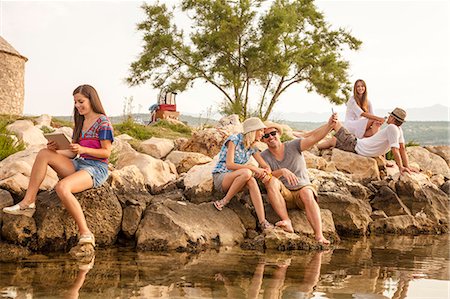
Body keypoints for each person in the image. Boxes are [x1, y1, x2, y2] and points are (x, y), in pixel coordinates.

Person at [3, 84, 114, 248]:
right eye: (75, 102)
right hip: (80, 163)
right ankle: (28, 202)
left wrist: (83, 149)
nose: (77, 106)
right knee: (43, 153)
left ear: (92, 99)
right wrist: (56, 151)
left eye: (81, 101)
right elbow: (72, 154)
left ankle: (86, 233)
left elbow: (106, 153)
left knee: (62, 187)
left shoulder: (103, 123)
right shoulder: (80, 122)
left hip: (96, 168)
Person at [260, 116, 337, 245]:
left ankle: (319, 236)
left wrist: (329, 126)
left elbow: (314, 138)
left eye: (273, 133)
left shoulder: (293, 145)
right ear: (263, 140)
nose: (271, 137)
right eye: (266, 136)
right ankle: (287, 222)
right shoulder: (264, 156)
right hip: (285, 195)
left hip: (303, 190)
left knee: (307, 193)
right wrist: (281, 171)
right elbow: (264, 177)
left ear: (278, 134)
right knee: (271, 181)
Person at [212, 117, 273, 230]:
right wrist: (253, 168)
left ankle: (263, 221)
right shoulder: (234, 140)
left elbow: (265, 165)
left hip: (238, 180)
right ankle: (224, 201)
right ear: (253, 130)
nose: (262, 134)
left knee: (252, 180)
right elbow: (229, 165)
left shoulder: (252, 147)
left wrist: (266, 171)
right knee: (247, 172)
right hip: (222, 177)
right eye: (260, 130)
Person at [318, 107, 418, 175]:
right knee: (334, 141)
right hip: (357, 146)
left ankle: (311, 140)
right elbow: (402, 149)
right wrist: (407, 166)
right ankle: (315, 146)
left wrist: (401, 167)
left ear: (392, 118)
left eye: (389, 116)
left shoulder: (392, 128)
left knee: (335, 123)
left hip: (355, 145)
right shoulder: (399, 130)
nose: (388, 118)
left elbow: (396, 150)